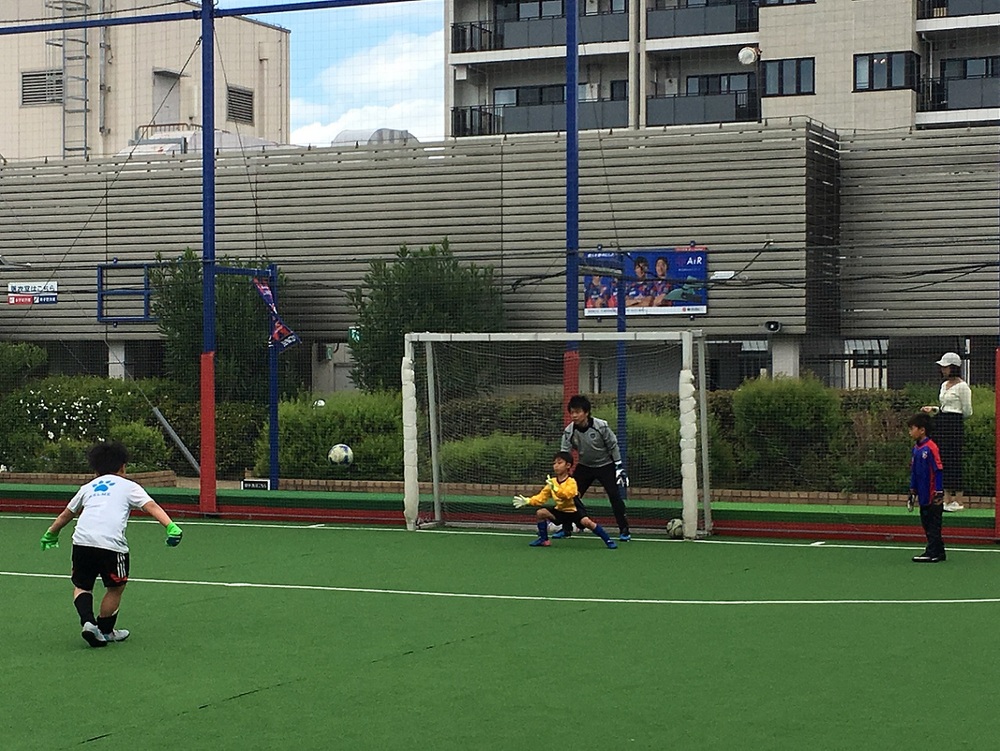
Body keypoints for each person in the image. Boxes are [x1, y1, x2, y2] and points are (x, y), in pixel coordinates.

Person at [39, 440, 183, 648]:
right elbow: (150, 506)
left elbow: (66, 514)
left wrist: (51, 533)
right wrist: (170, 526)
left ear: (96, 469)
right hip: (111, 545)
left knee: (82, 586)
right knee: (116, 588)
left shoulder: (87, 488)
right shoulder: (129, 486)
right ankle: (106, 631)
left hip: (81, 542)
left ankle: (88, 622)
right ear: (123, 467)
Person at [559, 394, 631, 541]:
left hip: (605, 465)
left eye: (577, 412)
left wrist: (619, 466)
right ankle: (566, 529)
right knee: (569, 495)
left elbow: (613, 446)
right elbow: (565, 453)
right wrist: (564, 472)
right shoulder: (569, 431)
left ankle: (624, 530)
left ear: (586, 412)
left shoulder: (601, 426)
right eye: (572, 412)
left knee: (614, 496)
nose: (574, 416)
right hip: (585, 466)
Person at [513, 451, 618, 549]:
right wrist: (528, 501)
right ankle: (543, 540)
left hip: (575, 511)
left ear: (568, 465)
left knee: (587, 523)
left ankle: (608, 540)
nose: (556, 466)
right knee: (540, 513)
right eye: (554, 463)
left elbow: (568, 494)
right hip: (561, 511)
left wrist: (556, 489)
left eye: (559, 463)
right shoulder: (552, 482)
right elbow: (541, 498)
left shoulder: (571, 481)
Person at [921, 352, 972, 512]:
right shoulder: (944, 385)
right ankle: (947, 499)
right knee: (943, 460)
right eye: (942, 367)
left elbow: (967, 411)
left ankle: (958, 501)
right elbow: (945, 407)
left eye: (946, 367)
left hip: (954, 425)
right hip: (942, 423)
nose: (943, 370)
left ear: (954, 368)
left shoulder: (963, 387)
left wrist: (953, 419)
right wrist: (934, 409)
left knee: (954, 460)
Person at [907, 413, 945, 563]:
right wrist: (912, 490)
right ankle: (939, 551)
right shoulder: (916, 449)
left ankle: (932, 552)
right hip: (922, 494)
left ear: (922, 430)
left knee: (933, 525)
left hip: (933, 495)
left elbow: (938, 470)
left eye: (912, 429)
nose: (910, 432)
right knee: (926, 523)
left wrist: (939, 491)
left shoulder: (931, 448)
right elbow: (914, 472)